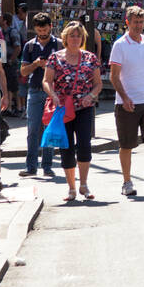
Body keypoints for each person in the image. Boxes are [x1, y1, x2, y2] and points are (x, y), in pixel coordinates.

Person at [109, 6, 144, 198]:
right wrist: (124, 97)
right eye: (135, 22)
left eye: (142, 22)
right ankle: (127, 181)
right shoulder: (120, 45)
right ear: (127, 23)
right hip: (127, 102)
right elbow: (114, 76)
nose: (139, 26)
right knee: (126, 145)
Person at [43, 21, 101, 202]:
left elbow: (98, 83)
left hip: (84, 108)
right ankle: (71, 188)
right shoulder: (55, 58)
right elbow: (46, 80)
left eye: (78, 36)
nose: (75, 39)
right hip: (63, 109)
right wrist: (53, 95)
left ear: (83, 38)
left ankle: (83, 184)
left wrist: (91, 95)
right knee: (66, 148)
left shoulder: (90, 58)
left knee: (84, 145)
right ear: (65, 38)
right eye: (72, 35)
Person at [17, 12, 62, 178]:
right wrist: (36, 64)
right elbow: (23, 71)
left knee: (49, 130)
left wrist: (50, 69)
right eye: (39, 29)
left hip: (52, 92)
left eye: (45, 28)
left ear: (50, 27)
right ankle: (31, 166)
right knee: (33, 129)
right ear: (35, 29)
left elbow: (64, 70)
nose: (42, 32)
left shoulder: (58, 45)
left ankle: (47, 166)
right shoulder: (29, 46)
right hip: (35, 90)